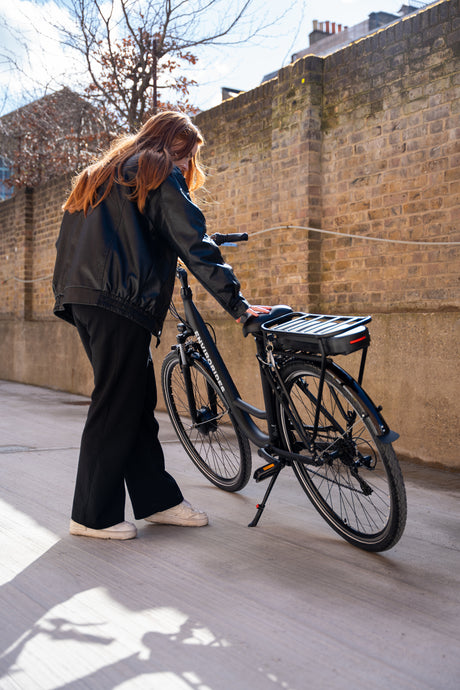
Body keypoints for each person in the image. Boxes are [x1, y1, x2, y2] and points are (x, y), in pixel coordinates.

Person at [52, 110, 270, 540]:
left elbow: (72, 239)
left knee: (133, 400)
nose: (188, 167)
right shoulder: (156, 168)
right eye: (187, 156)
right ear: (174, 146)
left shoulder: (103, 171)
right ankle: (91, 515)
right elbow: (193, 243)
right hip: (118, 298)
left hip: (85, 297)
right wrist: (239, 306)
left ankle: (158, 501)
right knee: (116, 402)